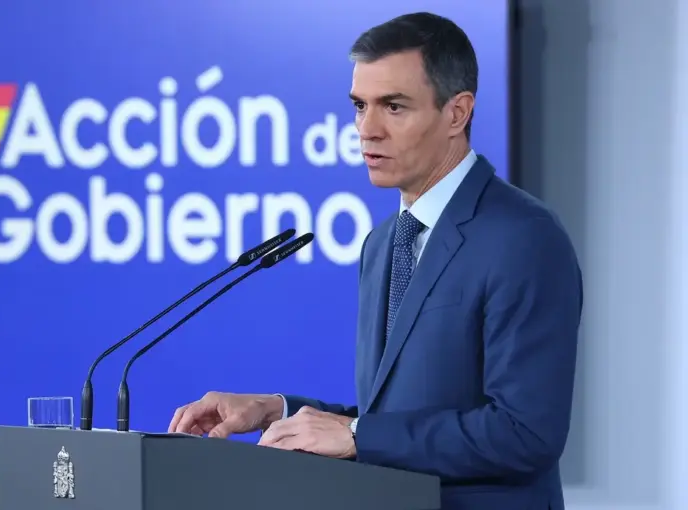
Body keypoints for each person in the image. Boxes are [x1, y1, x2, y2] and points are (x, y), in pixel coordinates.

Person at [169, 11, 582, 510]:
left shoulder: (523, 236)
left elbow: (524, 432)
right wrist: (274, 410)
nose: (368, 129)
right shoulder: (383, 242)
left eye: (393, 106)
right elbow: (395, 419)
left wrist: (360, 435)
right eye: (359, 106)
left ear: (457, 113)